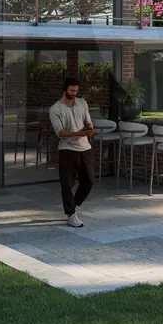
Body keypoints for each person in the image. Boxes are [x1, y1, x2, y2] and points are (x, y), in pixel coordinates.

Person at [49, 78, 95, 228]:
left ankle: (74, 206)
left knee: (88, 181)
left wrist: (89, 128)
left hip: (85, 148)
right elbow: (60, 132)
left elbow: (88, 121)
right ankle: (71, 214)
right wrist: (78, 133)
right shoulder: (55, 109)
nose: (74, 93)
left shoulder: (82, 103)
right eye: (71, 91)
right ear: (65, 90)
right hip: (67, 149)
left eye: (76, 90)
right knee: (67, 184)